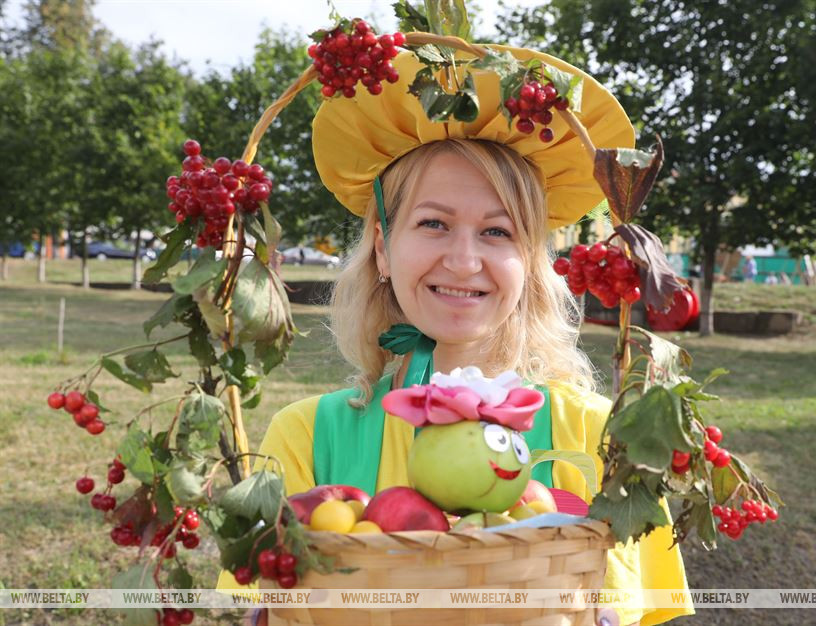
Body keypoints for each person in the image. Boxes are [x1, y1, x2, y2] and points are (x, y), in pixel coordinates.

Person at [223, 40, 694, 626]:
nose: (465, 261)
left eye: (498, 232)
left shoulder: (599, 435)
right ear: (383, 248)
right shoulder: (308, 438)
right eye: (433, 223)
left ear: (531, 260)